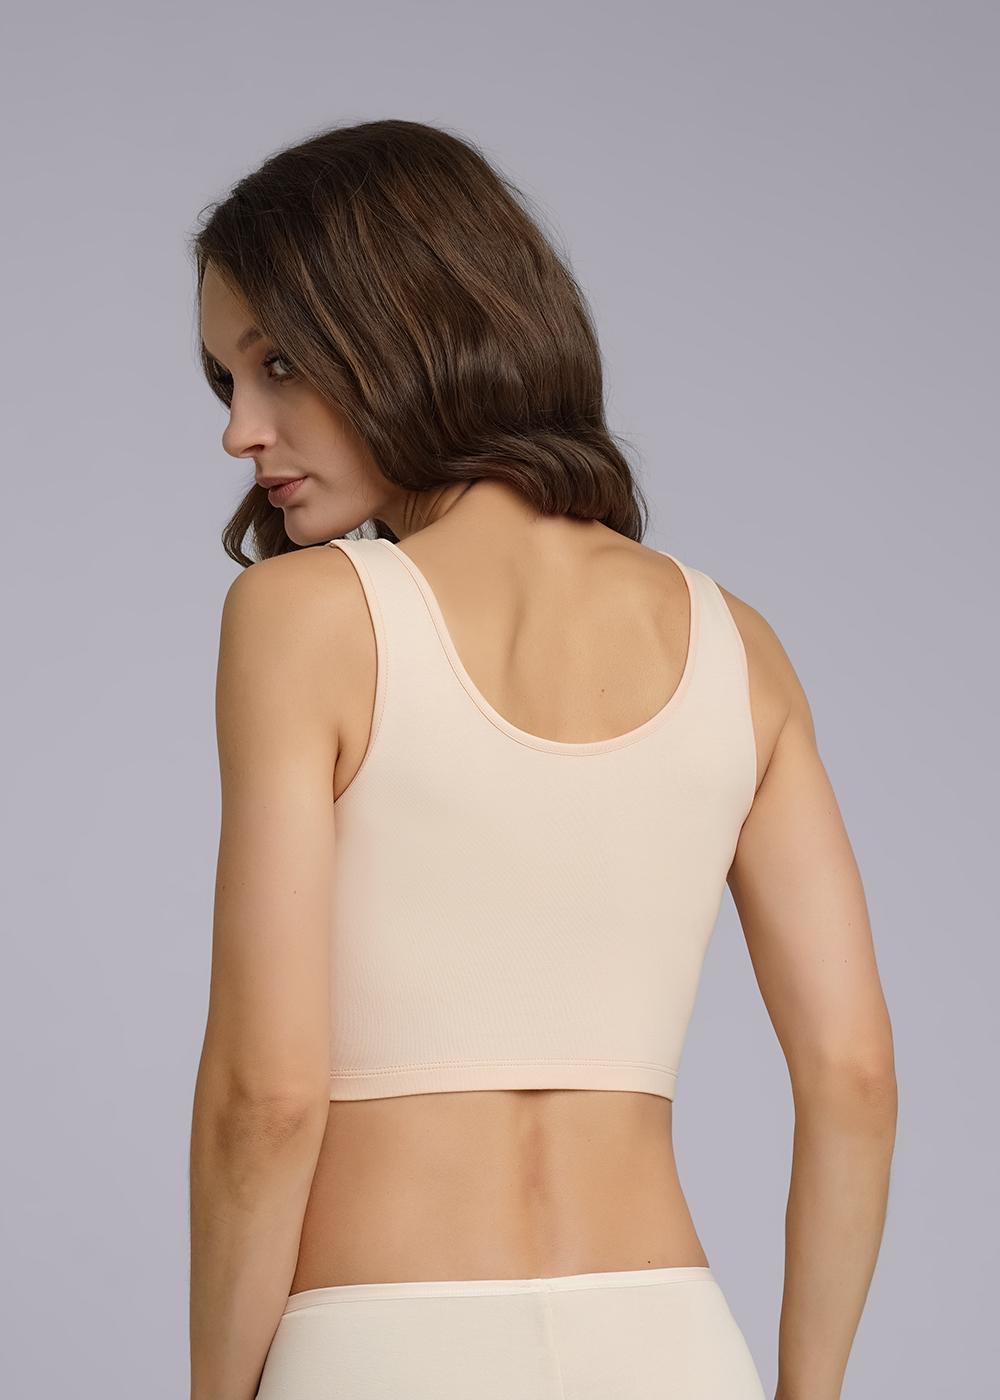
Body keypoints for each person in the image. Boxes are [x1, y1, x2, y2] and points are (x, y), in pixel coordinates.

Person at [187, 119, 897, 1400]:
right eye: (226, 380)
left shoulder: (305, 618)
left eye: (277, 363)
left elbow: (267, 1096)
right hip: (671, 1343)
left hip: (384, 1344)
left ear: (405, 321)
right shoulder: (739, 647)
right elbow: (852, 1076)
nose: (241, 430)